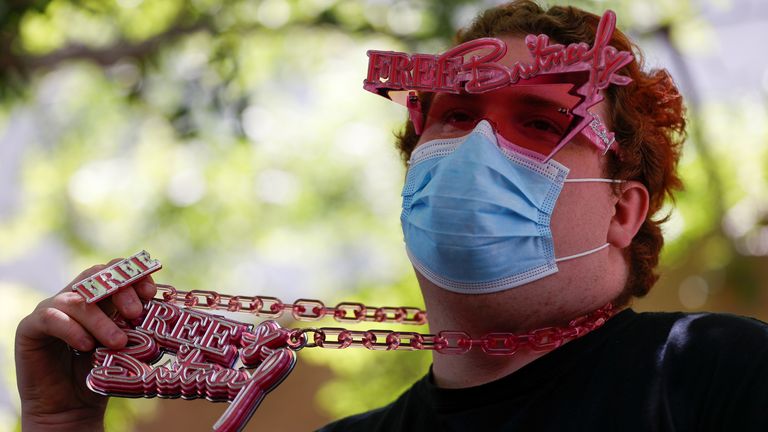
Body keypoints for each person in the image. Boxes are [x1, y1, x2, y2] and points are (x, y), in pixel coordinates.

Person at [13, 1, 768, 432]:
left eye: (539, 124)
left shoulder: (716, 373)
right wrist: (62, 428)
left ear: (622, 212)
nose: (478, 149)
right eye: (454, 117)